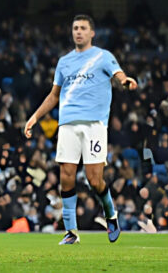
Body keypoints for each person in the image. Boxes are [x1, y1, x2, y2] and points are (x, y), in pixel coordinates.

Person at [25, 14, 137, 245]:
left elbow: (119, 75)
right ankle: (71, 232)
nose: (78, 32)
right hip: (67, 124)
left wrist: (125, 81)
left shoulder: (103, 57)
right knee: (66, 177)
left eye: (83, 28)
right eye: (75, 28)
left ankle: (111, 214)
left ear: (92, 33)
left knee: (94, 180)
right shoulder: (64, 62)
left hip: (94, 125)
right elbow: (54, 95)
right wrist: (35, 116)